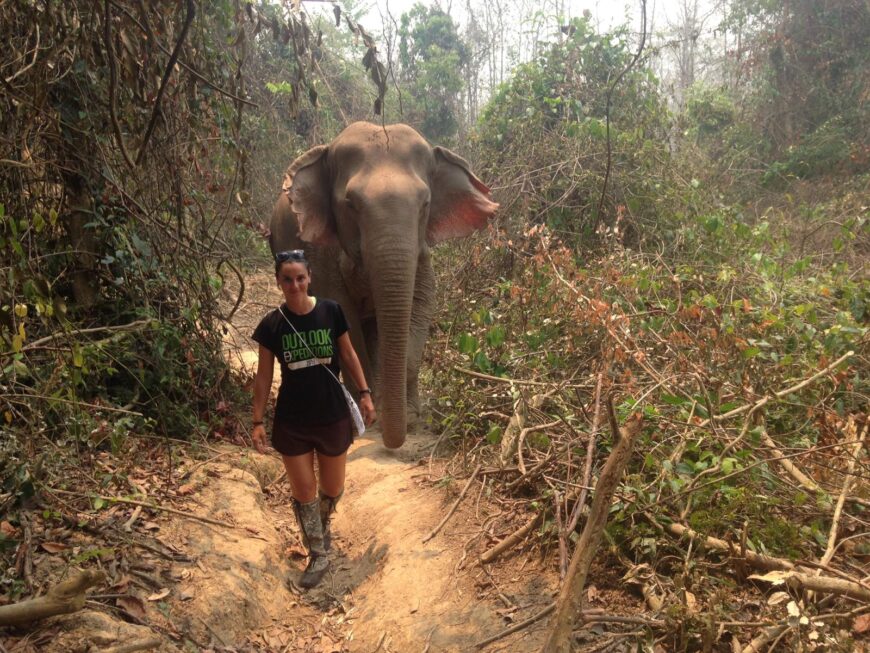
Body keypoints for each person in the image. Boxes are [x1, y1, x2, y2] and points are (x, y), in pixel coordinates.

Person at [251, 249, 376, 588]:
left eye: (300, 278)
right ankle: (318, 552)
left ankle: (320, 524)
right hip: (293, 418)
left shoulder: (331, 311)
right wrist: (257, 420)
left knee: (332, 488)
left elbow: (348, 354)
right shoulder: (271, 325)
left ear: (309, 278)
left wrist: (364, 393)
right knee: (304, 489)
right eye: (287, 279)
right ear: (278, 282)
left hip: (332, 413)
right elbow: (263, 377)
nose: (295, 285)